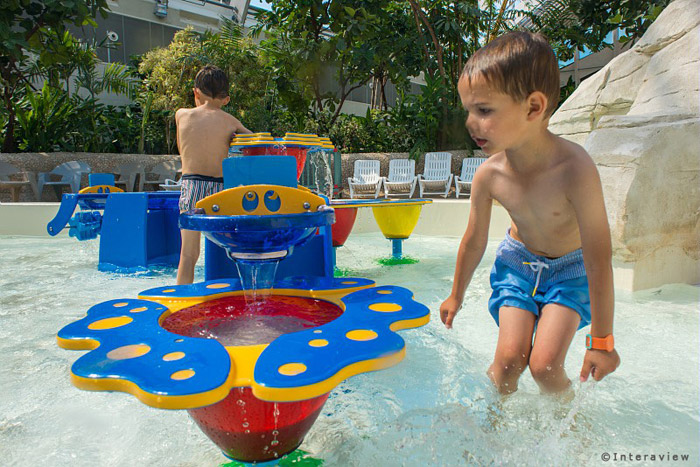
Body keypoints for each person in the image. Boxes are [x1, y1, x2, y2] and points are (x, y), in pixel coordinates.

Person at [440, 31, 620, 395]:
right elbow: (474, 240)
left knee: (545, 367)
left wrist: (602, 341)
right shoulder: (490, 175)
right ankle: (493, 423)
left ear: (533, 108)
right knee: (508, 363)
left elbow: (598, 256)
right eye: (468, 110)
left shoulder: (575, 170)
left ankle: (569, 425)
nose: (471, 123)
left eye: (484, 110)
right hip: (518, 266)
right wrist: (456, 294)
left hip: (570, 272)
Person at [175, 65, 251, 285]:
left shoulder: (182, 115)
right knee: (234, 247)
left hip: (192, 185)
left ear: (196, 92)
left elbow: (181, 149)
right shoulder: (230, 121)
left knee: (188, 254)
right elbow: (257, 143)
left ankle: (182, 298)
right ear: (226, 99)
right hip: (220, 190)